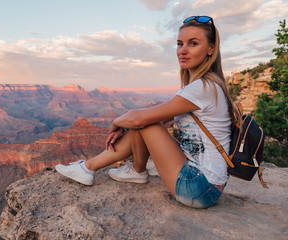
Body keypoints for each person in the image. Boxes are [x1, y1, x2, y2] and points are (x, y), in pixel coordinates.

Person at [55, 16, 241, 208]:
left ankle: (92, 168)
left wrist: (118, 122)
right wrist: (130, 122)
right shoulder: (207, 85)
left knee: (144, 122)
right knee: (144, 121)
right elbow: (158, 116)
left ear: (211, 49)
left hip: (198, 186)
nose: (182, 50)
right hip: (205, 184)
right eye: (179, 44)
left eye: (193, 44)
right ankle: (122, 170)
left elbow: (140, 120)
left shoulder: (202, 88)